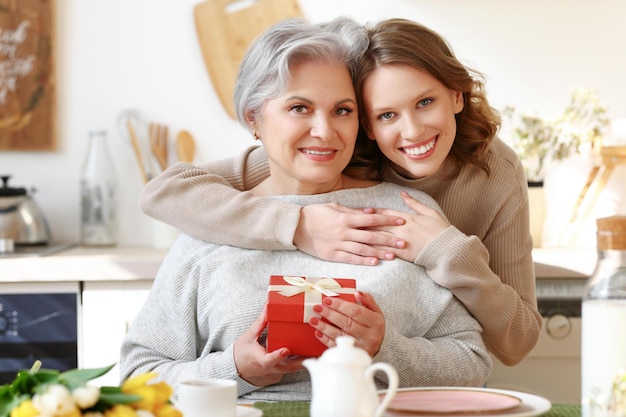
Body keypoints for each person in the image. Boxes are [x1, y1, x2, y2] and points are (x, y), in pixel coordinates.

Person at [120, 17, 491, 402]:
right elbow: (136, 379)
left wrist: (385, 348)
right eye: (299, 107)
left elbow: (473, 364)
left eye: (342, 110)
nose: (325, 131)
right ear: (254, 119)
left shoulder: (405, 214)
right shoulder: (210, 218)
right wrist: (235, 368)